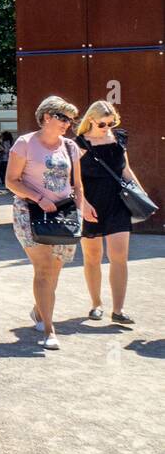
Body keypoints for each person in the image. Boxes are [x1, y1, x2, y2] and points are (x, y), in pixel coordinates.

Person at [4, 95, 94, 349]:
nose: (68, 123)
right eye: (62, 117)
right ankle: (49, 331)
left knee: (54, 271)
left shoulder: (70, 147)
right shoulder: (25, 144)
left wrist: (81, 210)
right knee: (44, 269)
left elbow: (77, 185)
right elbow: (11, 180)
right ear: (46, 117)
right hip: (30, 212)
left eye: (70, 119)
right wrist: (38, 197)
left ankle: (39, 310)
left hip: (63, 214)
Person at [76, 101, 142, 326]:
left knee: (119, 257)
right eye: (102, 123)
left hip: (118, 204)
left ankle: (118, 309)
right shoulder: (79, 143)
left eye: (111, 122)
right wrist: (83, 203)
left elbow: (126, 170)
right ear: (91, 120)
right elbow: (73, 180)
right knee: (92, 257)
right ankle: (96, 304)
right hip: (91, 205)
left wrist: (140, 195)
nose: (107, 127)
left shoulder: (119, 139)